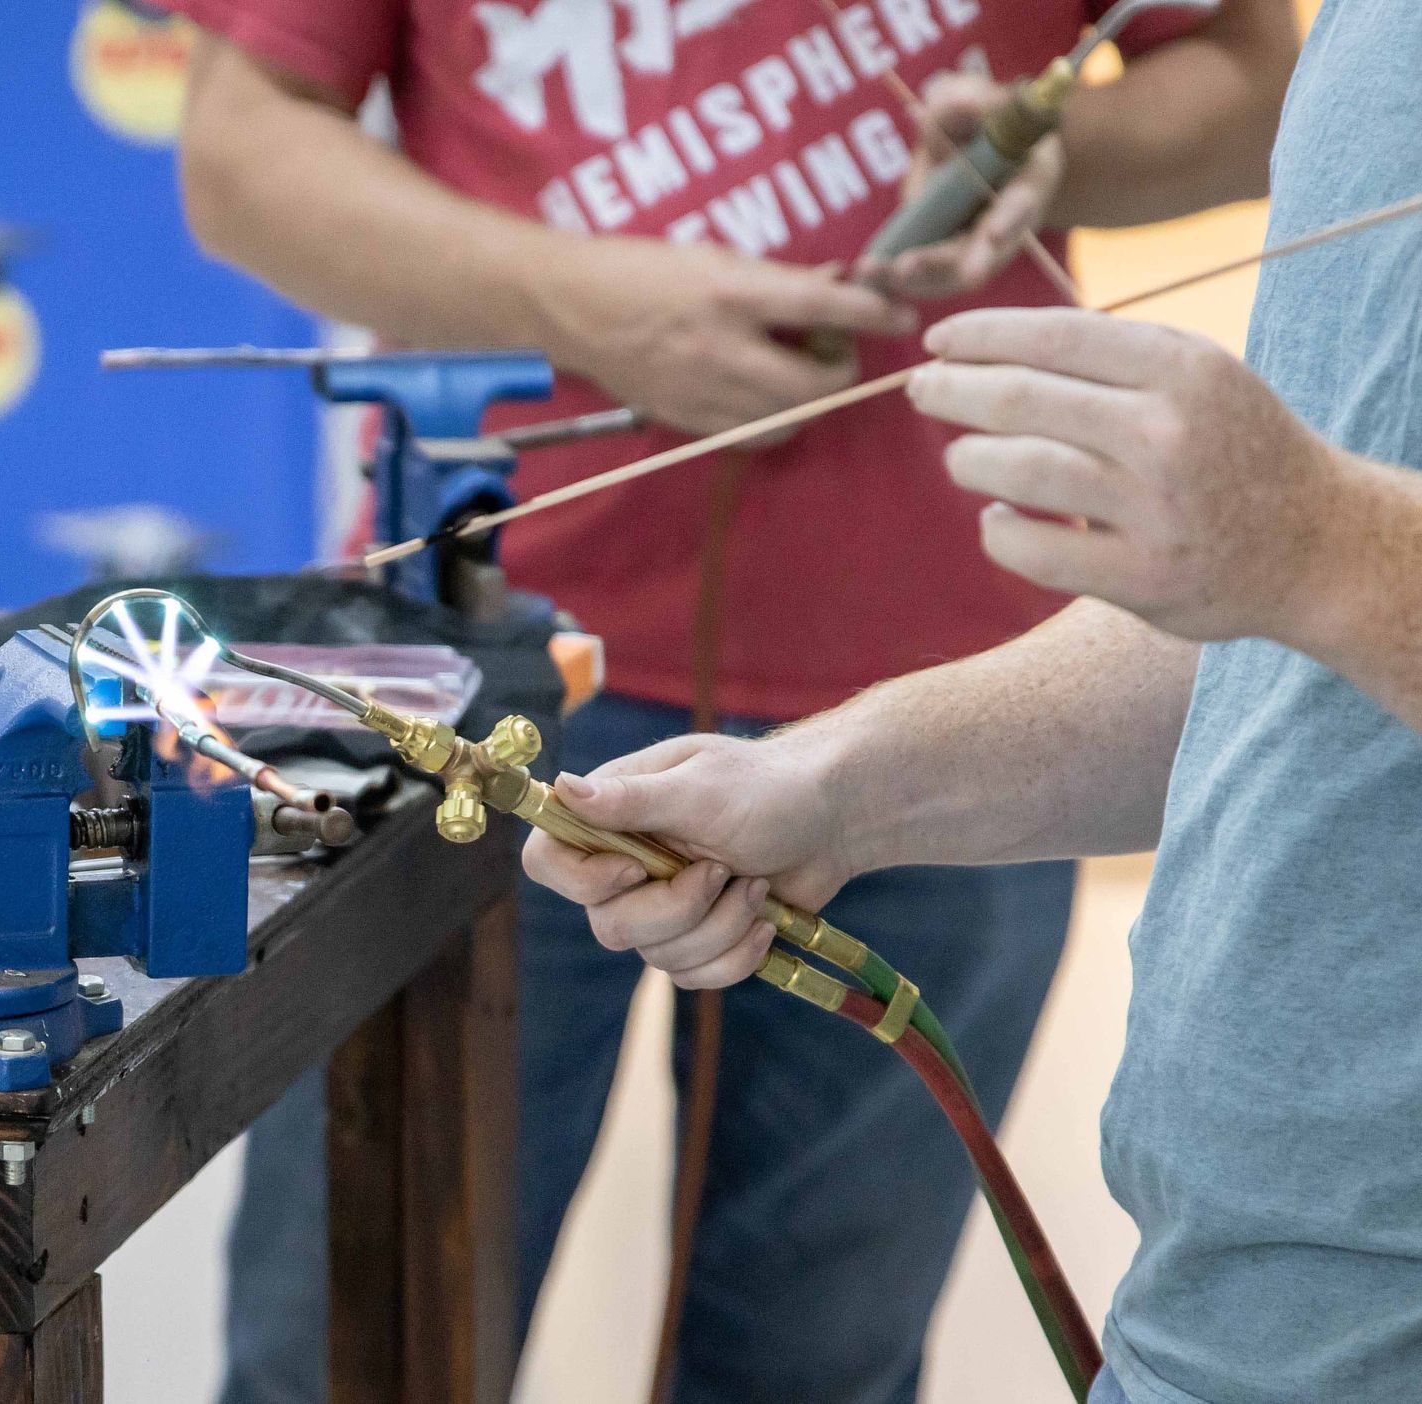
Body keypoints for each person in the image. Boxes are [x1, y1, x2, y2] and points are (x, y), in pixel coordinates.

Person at [165, 1, 1298, 1398]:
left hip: (973, 718)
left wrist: (1069, 147)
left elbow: (1260, 73)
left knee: (817, 1362)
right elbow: (240, 148)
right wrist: (582, 300)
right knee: (358, 1350)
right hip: (488, 676)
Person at [525, 4, 1422, 1401]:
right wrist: (840, 784)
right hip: (1235, 1301)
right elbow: (1291, 649)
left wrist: (1312, 537)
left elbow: (1325, 563)